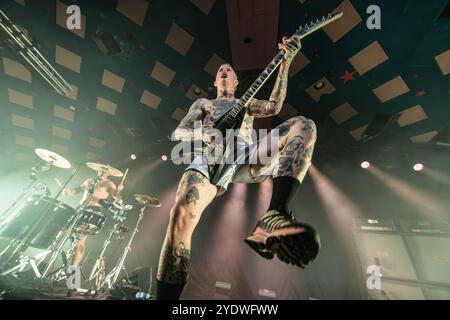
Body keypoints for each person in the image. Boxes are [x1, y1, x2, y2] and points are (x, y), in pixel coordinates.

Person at [156, 35, 320, 300]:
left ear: (235, 82)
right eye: (220, 71)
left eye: (229, 71)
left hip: (245, 153)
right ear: (215, 81)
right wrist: (203, 132)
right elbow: (179, 132)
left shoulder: (245, 102)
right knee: (181, 216)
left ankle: (274, 214)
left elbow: (274, 106)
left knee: (303, 125)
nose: (224, 70)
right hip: (208, 158)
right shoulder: (203, 104)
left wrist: (285, 63)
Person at [63, 174, 123, 268]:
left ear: (109, 172)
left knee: (80, 240)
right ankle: (48, 265)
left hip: (93, 210)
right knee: (62, 232)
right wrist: (68, 191)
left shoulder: (109, 183)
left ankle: (74, 271)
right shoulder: (90, 180)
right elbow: (77, 190)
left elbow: (117, 198)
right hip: (80, 208)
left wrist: (119, 191)